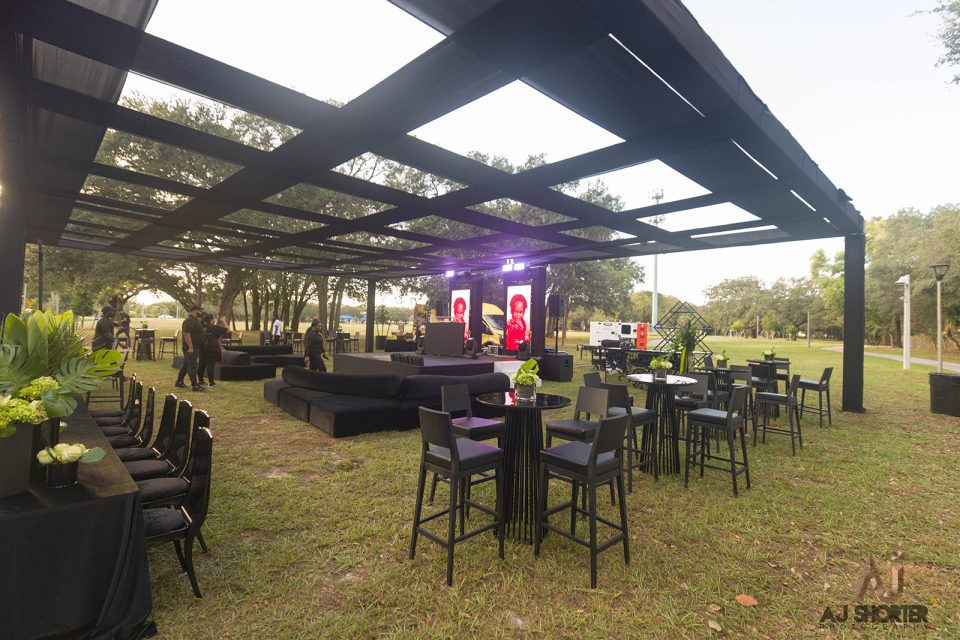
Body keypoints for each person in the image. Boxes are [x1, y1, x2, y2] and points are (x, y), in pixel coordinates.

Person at [175, 305, 205, 392]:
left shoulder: (195, 320)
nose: (201, 313)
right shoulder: (189, 321)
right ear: (195, 311)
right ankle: (195, 385)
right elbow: (186, 334)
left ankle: (179, 382)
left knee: (186, 364)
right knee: (192, 365)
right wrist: (191, 347)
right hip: (191, 347)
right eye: (200, 311)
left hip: (195, 346)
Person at [197, 314, 229, 386]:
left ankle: (201, 381)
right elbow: (228, 330)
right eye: (213, 319)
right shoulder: (214, 328)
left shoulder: (201, 327)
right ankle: (211, 382)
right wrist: (224, 321)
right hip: (212, 347)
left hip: (202, 347)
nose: (214, 320)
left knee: (201, 364)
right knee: (210, 365)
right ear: (211, 320)